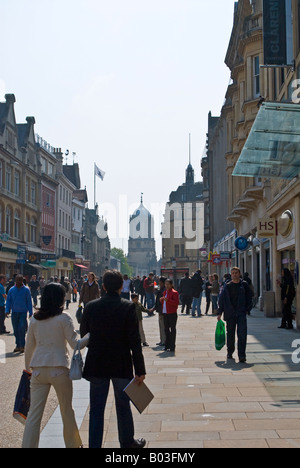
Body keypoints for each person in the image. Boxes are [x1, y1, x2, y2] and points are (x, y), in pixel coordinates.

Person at [80, 270, 147, 449]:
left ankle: (94, 445)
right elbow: (135, 341)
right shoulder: (128, 307)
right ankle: (126, 442)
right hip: (121, 363)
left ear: (102, 286)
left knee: (96, 408)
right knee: (123, 405)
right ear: (120, 287)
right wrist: (140, 370)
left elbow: (84, 334)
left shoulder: (91, 307)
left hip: (97, 363)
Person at [22, 283, 89, 449]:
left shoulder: (35, 320)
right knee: (66, 411)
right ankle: (73, 445)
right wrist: (90, 335)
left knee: (33, 415)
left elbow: (29, 348)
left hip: (38, 370)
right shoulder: (63, 318)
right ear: (60, 298)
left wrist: (27, 370)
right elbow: (76, 345)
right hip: (59, 369)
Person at [217, 267, 253, 363]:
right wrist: (219, 312)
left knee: (242, 334)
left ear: (239, 274)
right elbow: (222, 300)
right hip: (230, 313)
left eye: (236, 273)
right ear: (231, 274)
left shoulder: (244, 285)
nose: (234, 274)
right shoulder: (227, 286)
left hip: (241, 313)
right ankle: (230, 352)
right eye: (233, 273)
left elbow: (250, 297)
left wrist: (247, 309)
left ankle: (242, 355)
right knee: (230, 335)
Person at [6, 275, 33, 353]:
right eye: (17, 280)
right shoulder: (11, 290)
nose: (18, 281)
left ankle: (22, 345)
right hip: (14, 313)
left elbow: (29, 302)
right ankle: (18, 345)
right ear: (15, 280)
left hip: (23, 313)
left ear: (22, 281)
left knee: (21, 329)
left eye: (20, 280)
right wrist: (7, 310)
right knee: (15, 330)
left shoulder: (26, 290)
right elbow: (8, 301)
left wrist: (31, 312)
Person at [160, 279, 180, 353]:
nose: (166, 286)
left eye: (168, 284)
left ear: (171, 285)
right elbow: (164, 302)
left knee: (172, 329)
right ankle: (166, 345)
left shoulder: (174, 293)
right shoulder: (165, 292)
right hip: (165, 313)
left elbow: (176, 303)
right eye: (166, 284)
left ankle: (172, 346)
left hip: (172, 313)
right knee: (166, 329)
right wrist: (161, 300)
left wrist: (168, 300)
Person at [151, 277, 166, 347]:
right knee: (161, 326)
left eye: (159, 281)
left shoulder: (164, 290)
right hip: (160, 310)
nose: (159, 283)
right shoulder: (162, 289)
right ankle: (162, 340)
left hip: (162, 310)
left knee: (163, 326)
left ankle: (164, 341)